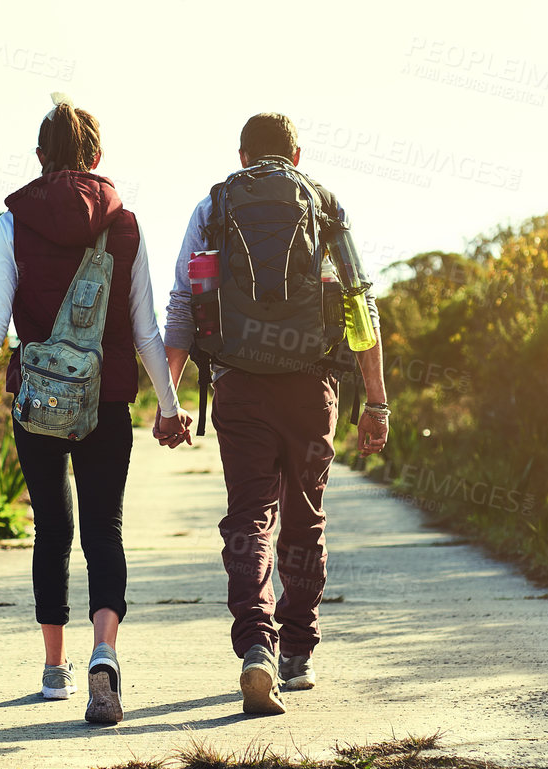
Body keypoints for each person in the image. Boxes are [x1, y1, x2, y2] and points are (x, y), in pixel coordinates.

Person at [0, 99, 192, 725]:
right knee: (103, 528)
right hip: (105, 400)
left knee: (52, 529)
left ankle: (54, 670)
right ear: (96, 157)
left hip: (35, 401)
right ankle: (104, 654)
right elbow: (146, 330)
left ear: (39, 157)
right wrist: (169, 410)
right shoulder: (126, 225)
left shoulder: (13, 222)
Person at [162, 112, 390, 715]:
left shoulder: (213, 206)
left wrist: (171, 397)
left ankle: (255, 649)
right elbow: (361, 303)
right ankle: (297, 652)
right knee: (304, 517)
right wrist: (377, 401)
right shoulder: (325, 204)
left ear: (242, 156)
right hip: (310, 388)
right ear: (297, 153)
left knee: (249, 518)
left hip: (239, 386)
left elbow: (184, 303)